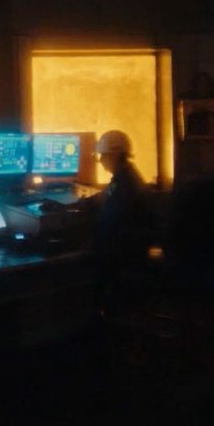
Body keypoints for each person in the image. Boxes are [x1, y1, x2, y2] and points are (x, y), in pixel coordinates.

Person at [90, 130, 155, 320]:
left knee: (85, 261)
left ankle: (102, 319)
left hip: (124, 255)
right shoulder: (128, 177)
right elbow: (105, 197)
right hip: (135, 250)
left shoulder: (124, 186)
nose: (101, 161)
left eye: (104, 155)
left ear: (116, 155)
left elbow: (108, 226)